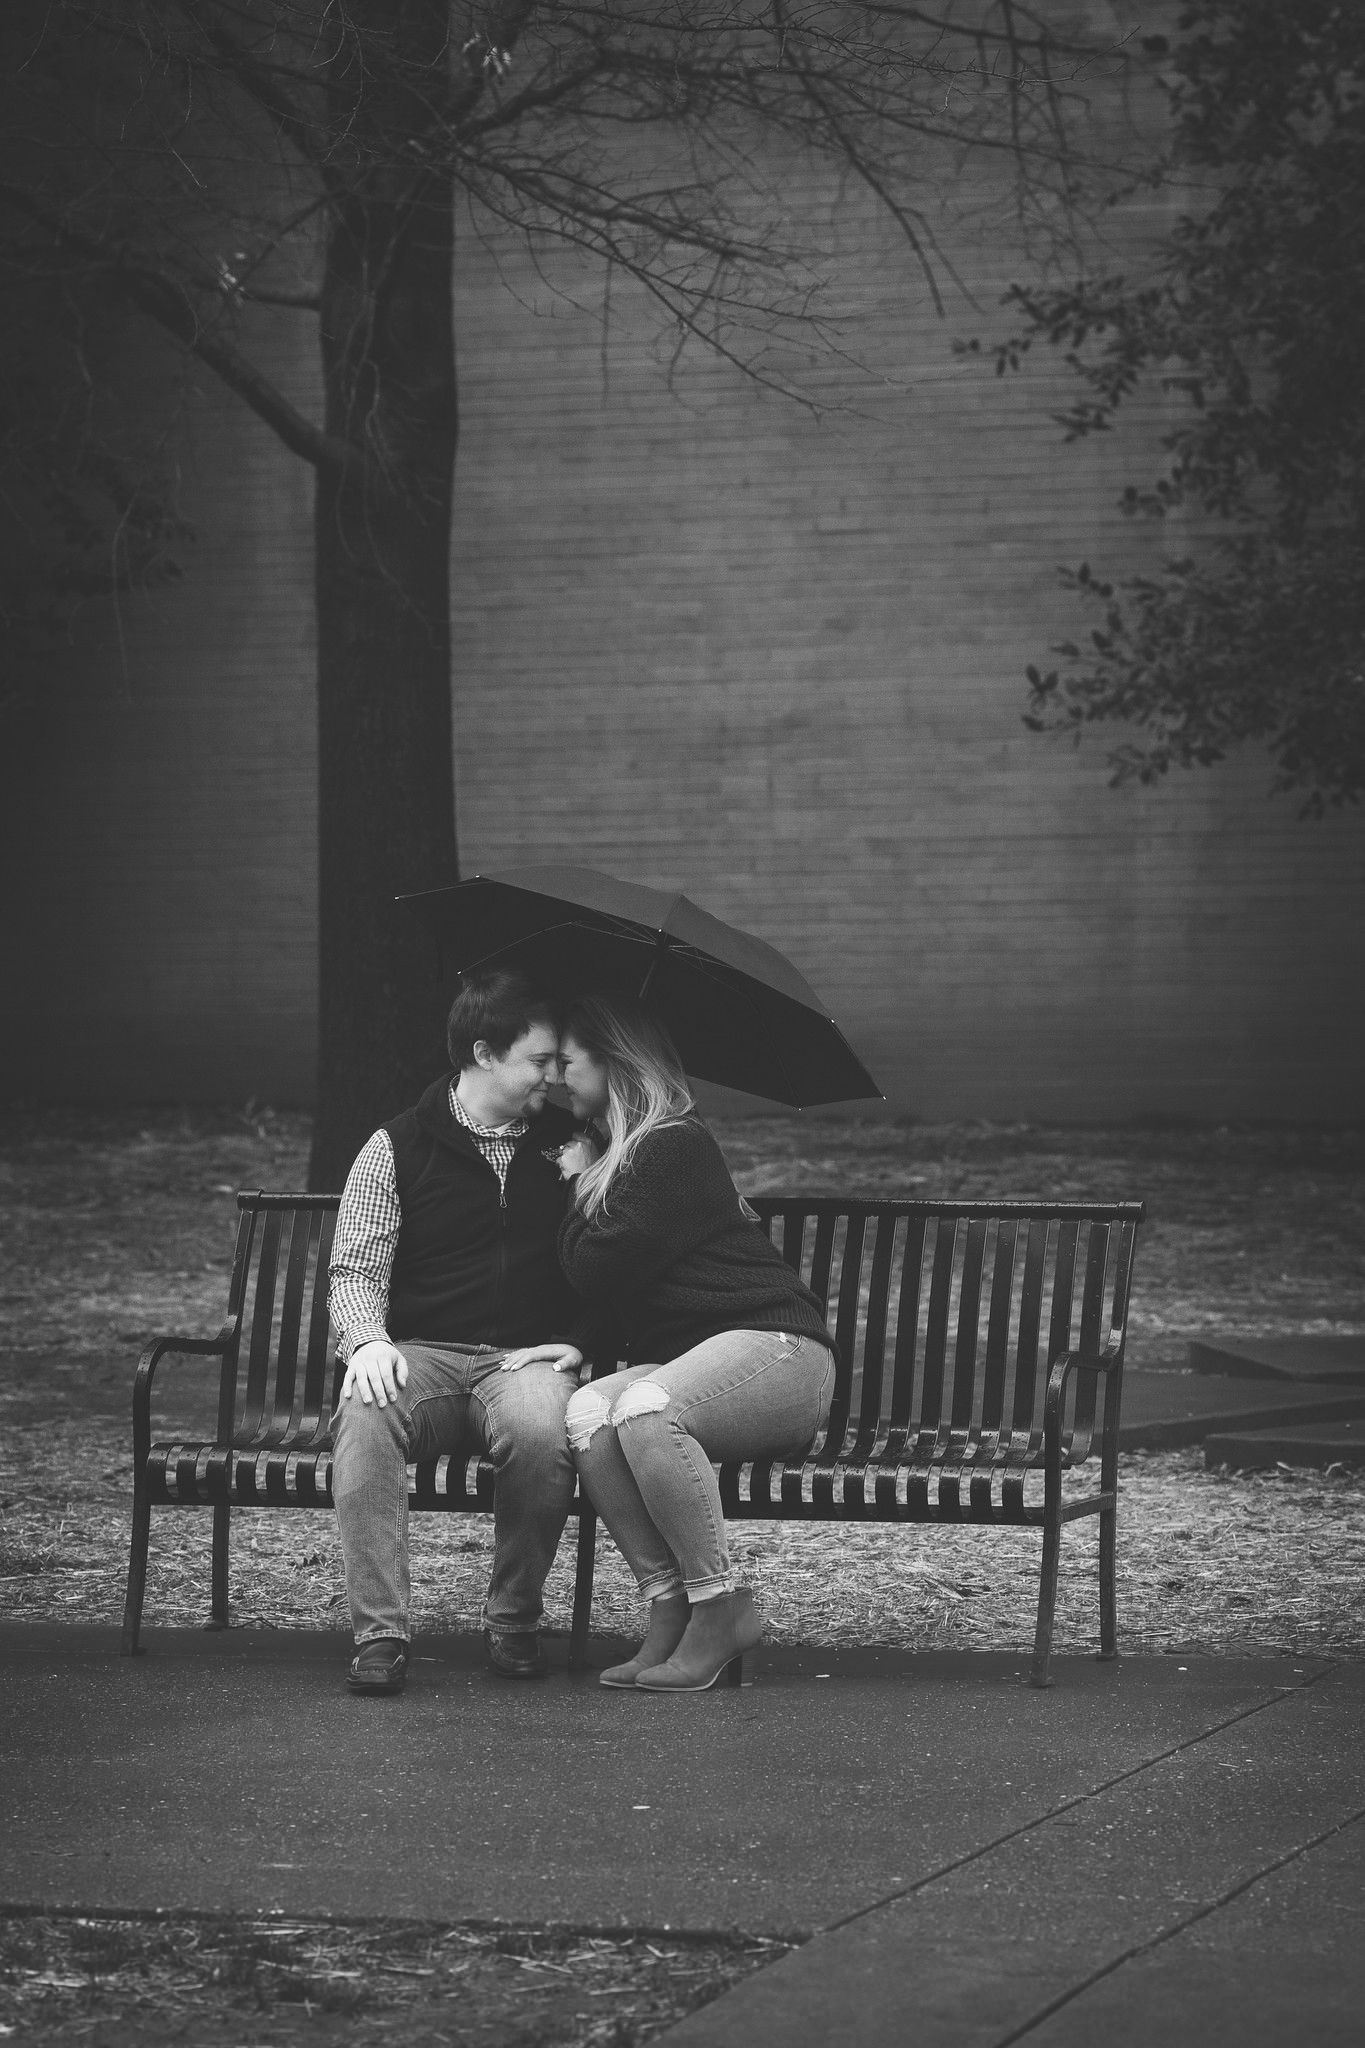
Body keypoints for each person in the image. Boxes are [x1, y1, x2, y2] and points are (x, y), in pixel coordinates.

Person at [556, 994, 837, 1692]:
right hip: (704, 1363)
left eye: (567, 1060)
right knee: (591, 1411)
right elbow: (618, 1285)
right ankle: (669, 1604)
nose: (554, 1076)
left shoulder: (675, 1146)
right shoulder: (621, 1155)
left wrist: (572, 1185)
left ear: (614, 1063)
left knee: (648, 1407)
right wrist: (575, 1345)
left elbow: (595, 1265)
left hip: (780, 1355)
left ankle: (719, 1606)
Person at [328, 969, 596, 1696]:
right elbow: (354, 1271)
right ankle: (379, 1635)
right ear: (484, 1053)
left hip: (526, 1360)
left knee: (545, 1431)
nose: (556, 1075)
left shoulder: (570, 1143)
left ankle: (513, 1621)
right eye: (539, 1061)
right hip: (422, 1357)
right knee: (365, 1409)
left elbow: (615, 1255)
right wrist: (367, 1342)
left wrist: (583, 1338)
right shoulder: (396, 1145)